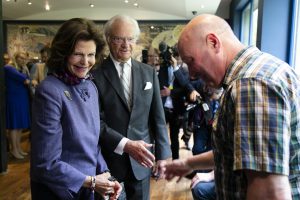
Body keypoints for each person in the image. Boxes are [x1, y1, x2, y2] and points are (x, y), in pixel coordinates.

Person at [161, 14, 300, 199]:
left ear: (213, 42)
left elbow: (269, 192)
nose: (192, 74)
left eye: (191, 61)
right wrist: (189, 164)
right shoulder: (268, 68)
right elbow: (240, 151)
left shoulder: (249, 85)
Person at [30, 18, 122, 200]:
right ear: (62, 53)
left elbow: (93, 145)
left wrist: (107, 176)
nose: (86, 62)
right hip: (59, 191)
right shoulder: (49, 91)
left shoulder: (90, 86)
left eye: (91, 54)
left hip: (88, 188)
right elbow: (45, 163)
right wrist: (93, 182)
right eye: (78, 54)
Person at [92, 15, 172, 200]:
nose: (125, 44)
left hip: (142, 161)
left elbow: (157, 117)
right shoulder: (95, 76)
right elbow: (96, 121)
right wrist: (125, 145)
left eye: (130, 39)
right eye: (119, 39)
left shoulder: (148, 72)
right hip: (109, 160)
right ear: (108, 39)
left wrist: (162, 155)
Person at [4, 51, 33, 159]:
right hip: (14, 100)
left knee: (20, 126)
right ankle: (14, 149)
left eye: (24, 58)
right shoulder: (9, 68)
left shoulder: (21, 68)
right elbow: (24, 79)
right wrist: (26, 79)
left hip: (22, 99)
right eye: (21, 58)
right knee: (14, 126)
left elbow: (28, 80)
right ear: (15, 57)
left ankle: (18, 148)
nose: (23, 60)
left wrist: (27, 79)